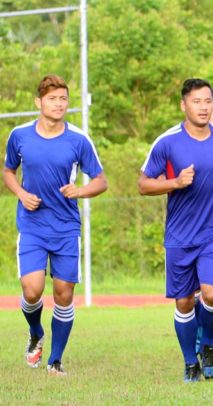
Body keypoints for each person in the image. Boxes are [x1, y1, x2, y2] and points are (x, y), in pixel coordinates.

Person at [138, 78, 213, 382]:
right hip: (180, 235)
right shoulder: (167, 142)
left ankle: (208, 346)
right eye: (196, 102)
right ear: (183, 105)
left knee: (211, 294)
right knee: (184, 302)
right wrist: (175, 183)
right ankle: (189, 363)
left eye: (208, 101)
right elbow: (144, 184)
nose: (203, 107)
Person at [4, 74, 108, 376]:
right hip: (33, 226)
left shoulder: (78, 139)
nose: (59, 103)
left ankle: (55, 360)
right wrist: (22, 194)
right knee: (32, 290)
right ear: (39, 102)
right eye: (52, 98)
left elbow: (101, 181)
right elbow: (9, 172)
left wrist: (80, 191)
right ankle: (36, 332)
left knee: (63, 294)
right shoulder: (20, 135)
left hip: (65, 228)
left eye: (63, 98)